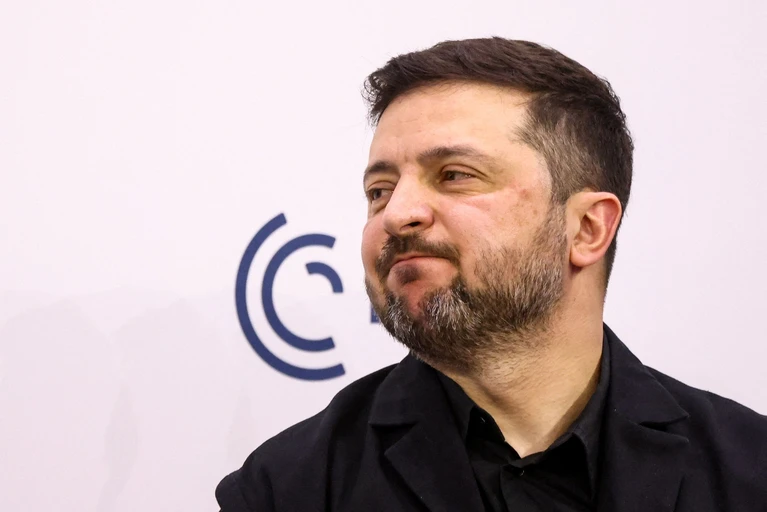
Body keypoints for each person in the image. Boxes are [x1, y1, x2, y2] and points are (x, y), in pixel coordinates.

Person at [216, 38, 767, 511]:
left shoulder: (749, 469)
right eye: (379, 190)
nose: (396, 213)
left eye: (455, 175)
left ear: (586, 229)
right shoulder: (288, 488)